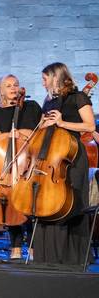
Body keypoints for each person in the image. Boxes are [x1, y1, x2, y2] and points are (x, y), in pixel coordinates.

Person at [32, 62, 95, 264]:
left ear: (55, 77)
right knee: (49, 201)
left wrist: (61, 123)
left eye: (45, 79)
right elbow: (43, 126)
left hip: (72, 156)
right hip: (52, 157)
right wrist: (42, 124)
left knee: (72, 202)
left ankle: (73, 256)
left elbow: (89, 126)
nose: (42, 83)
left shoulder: (79, 97)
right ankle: (48, 254)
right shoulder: (49, 100)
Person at [0, 74, 41, 260]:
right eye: (8, 85)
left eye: (16, 84)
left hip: (29, 164)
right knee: (10, 205)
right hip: (9, 168)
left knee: (31, 205)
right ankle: (15, 247)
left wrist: (14, 133)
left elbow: (33, 133)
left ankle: (34, 247)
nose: (13, 88)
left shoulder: (31, 107)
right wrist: (15, 135)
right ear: (1, 90)